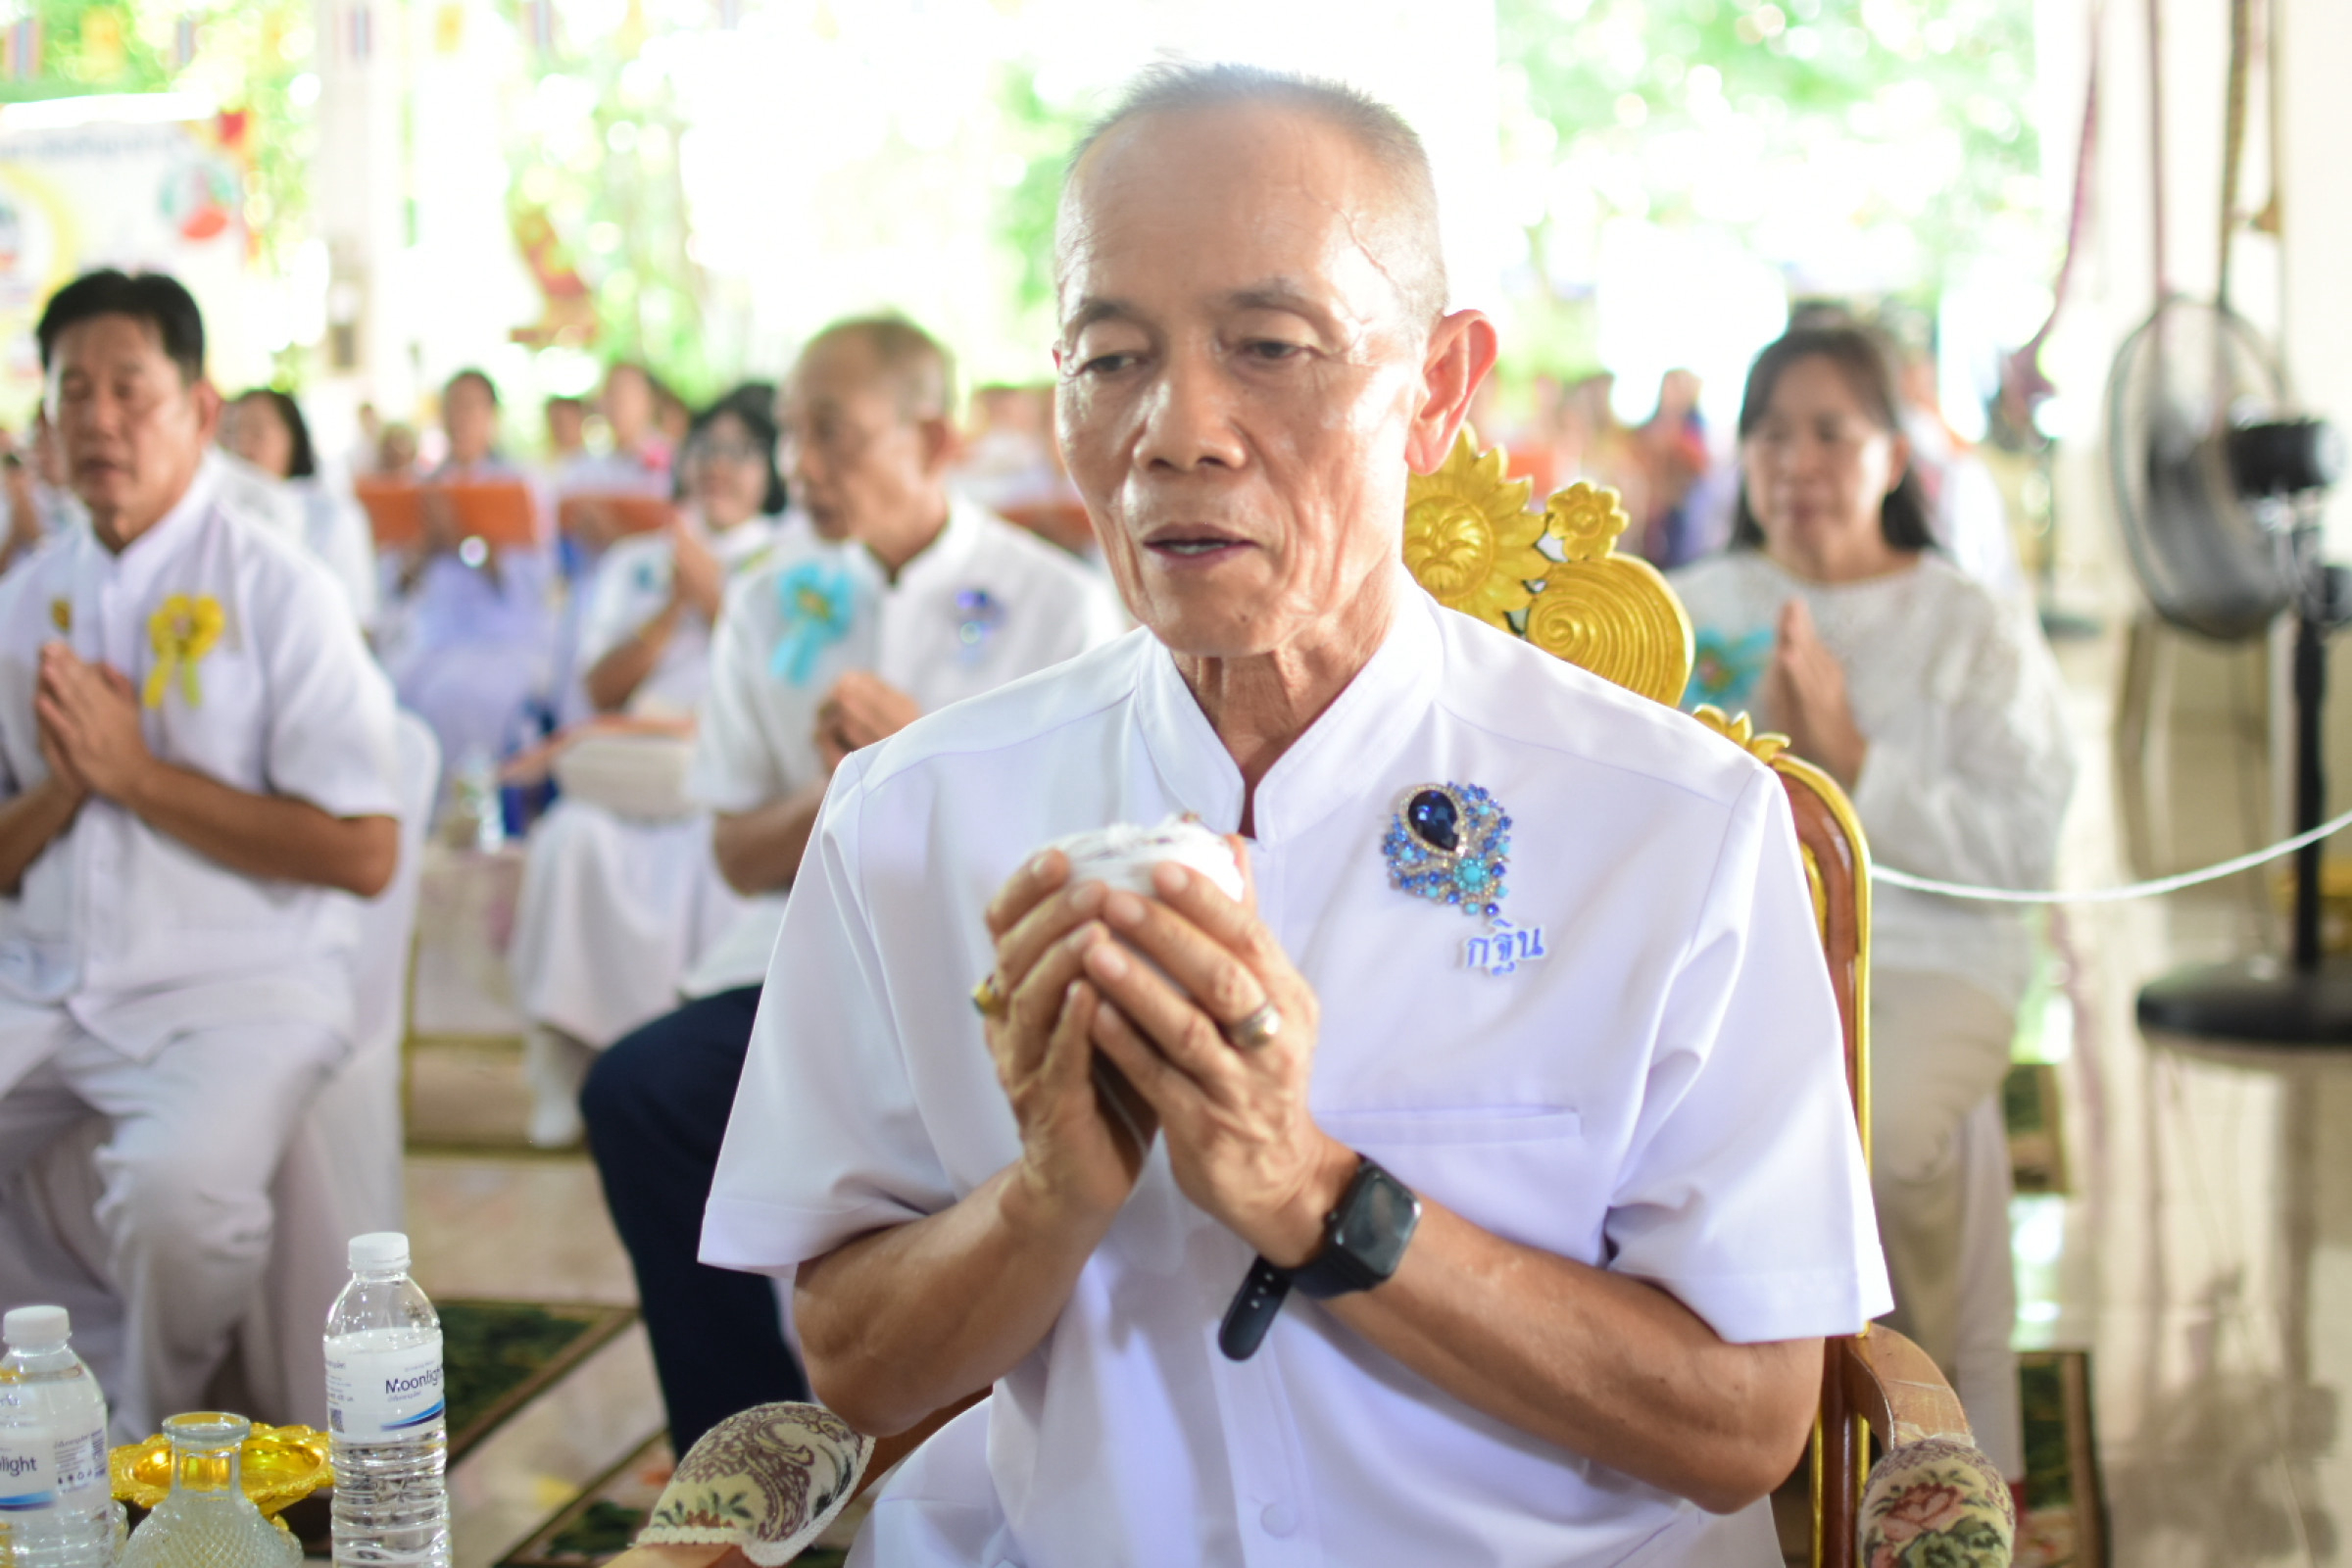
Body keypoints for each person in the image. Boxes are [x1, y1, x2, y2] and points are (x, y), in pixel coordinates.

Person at [703, 67, 1886, 1566]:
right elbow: (857, 1368)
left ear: (1438, 389)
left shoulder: (1673, 826)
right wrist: (1049, 1202)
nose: (1177, 429)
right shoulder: (913, 817)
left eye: (1270, 346)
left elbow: (1743, 1426)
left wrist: (1316, 1195)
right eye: (1112, 356)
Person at [579, 316, 1125, 1453]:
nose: (800, 469)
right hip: (798, 970)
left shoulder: (1054, 601)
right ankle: (743, 1457)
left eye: (831, 434)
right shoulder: (773, 599)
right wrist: (844, 794)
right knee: (640, 1093)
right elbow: (733, 852)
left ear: (934, 435)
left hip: (989, 977)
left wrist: (922, 764)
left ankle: (994, 1435)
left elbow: (1089, 852)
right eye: (788, 436)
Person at [1671, 323, 2076, 1481]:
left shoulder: (1969, 624)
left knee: (1882, 1143)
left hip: (1930, 952)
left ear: (1894, 456)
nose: (1796, 460)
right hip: (1736, 955)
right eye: (1771, 432)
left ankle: (1913, 1433)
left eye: (1831, 432)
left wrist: (1854, 756)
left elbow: (2020, 844)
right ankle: (1732, 1428)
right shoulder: (1682, 612)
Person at [0, 270, 400, 1438]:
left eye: (132, 389)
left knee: (181, 1198)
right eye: (75, 391)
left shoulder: (281, 590)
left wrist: (137, 776)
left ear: (199, 409)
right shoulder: (27, 601)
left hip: (237, 985)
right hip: (47, 976)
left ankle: (146, 1440)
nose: (99, 421)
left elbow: (365, 851)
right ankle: (45, 1407)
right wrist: (73, 786)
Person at [508, 387, 793, 1149]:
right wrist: (670, 603)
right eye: (706, 450)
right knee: (572, 841)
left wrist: (715, 598)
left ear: (771, 468)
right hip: (636, 763)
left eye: (740, 452)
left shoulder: (793, 555)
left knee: (721, 853)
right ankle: (565, 1068)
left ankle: (696, 1069)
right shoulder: (639, 559)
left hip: (730, 770)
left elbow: (791, 683)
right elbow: (598, 689)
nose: (720, 468)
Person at [376, 368, 558, 812]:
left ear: (492, 417)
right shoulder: (422, 485)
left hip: (502, 639)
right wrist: (425, 549)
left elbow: (528, 583)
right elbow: (395, 584)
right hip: (436, 636)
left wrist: (464, 541)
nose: (461, 419)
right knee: (391, 696)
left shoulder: (520, 485)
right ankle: (419, 817)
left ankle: (480, 814)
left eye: (472, 408)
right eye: (452, 407)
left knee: (469, 698)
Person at [220, 386, 380, 627]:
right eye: (231, 432)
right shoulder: (218, 515)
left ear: (292, 437)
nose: (241, 445)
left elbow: (358, 619)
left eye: (256, 431)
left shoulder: (332, 515)